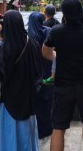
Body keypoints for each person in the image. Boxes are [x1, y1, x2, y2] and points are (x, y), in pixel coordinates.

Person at [42, 0, 83, 151]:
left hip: (63, 85)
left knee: (58, 127)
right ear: (80, 11)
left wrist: (59, 58)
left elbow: (45, 52)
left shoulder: (57, 31)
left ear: (63, 12)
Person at [0, 10, 43, 151]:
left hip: (10, 99)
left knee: (11, 134)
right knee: (28, 132)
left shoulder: (3, 50)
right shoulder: (33, 44)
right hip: (29, 97)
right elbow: (39, 71)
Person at [27, 11, 53, 139]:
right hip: (48, 68)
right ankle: (47, 128)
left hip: (34, 72)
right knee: (47, 99)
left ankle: (36, 130)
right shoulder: (48, 31)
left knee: (36, 100)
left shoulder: (28, 36)